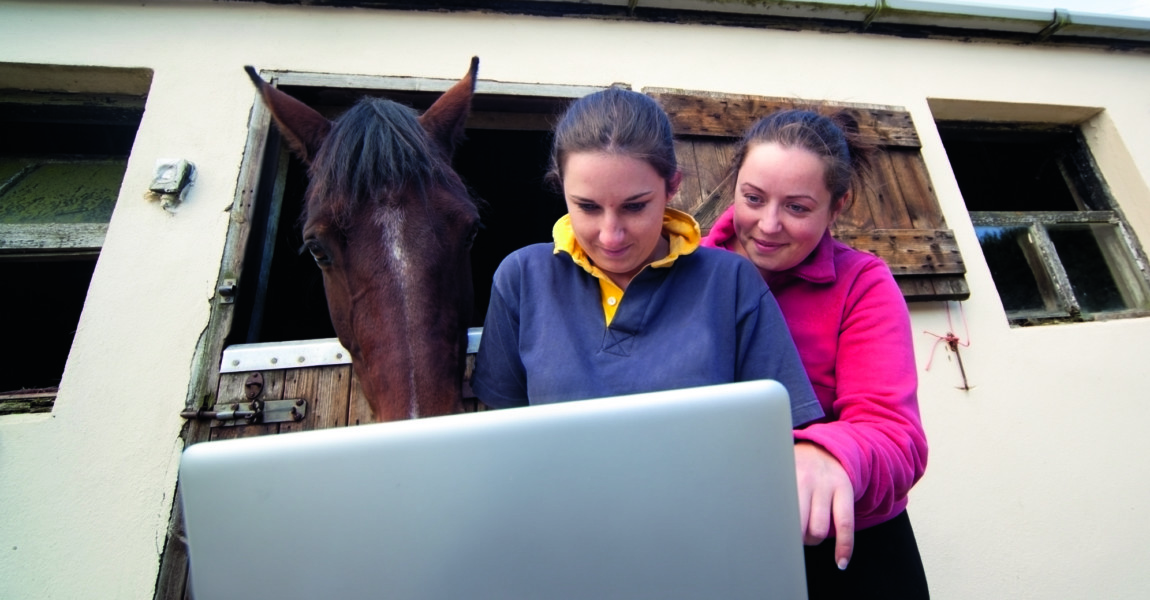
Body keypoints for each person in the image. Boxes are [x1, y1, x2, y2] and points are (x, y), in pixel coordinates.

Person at [470, 87, 822, 430]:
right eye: (587, 207)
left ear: (672, 186)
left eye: (635, 206)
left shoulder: (731, 284)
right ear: (560, 186)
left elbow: (780, 435)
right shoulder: (522, 279)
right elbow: (504, 440)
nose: (610, 235)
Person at [701, 109, 930, 598]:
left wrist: (828, 453)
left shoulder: (863, 283)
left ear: (837, 205)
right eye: (753, 198)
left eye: (798, 208)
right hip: (720, 539)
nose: (768, 225)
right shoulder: (678, 272)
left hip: (848, 548)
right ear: (734, 184)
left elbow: (897, 437)